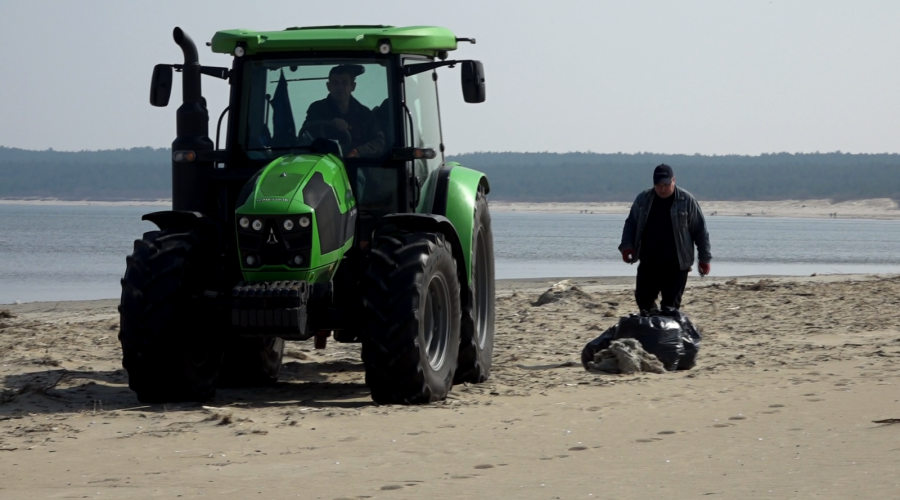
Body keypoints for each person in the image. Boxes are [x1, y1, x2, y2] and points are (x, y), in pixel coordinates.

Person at [618, 164, 712, 311]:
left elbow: (700, 231)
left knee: (670, 307)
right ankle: (654, 327)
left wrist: (704, 259)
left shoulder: (687, 201)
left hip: (677, 265)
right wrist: (626, 247)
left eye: (666, 185)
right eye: (658, 185)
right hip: (649, 262)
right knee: (643, 299)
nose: (662, 189)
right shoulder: (643, 199)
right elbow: (631, 224)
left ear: (673, 180)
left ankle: (667, 331)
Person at [301, 64, 385, 158]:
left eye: (345, 83)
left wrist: (358, 152)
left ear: (353, 86)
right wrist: (331, 124)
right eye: (336, 83)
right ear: (329, 86)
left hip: (357, 165)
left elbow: (379, 142)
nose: (340, 87)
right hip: (324, 162)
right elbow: (307, 136)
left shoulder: (365, 114)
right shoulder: (316, 109)